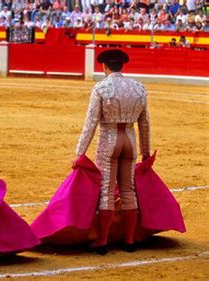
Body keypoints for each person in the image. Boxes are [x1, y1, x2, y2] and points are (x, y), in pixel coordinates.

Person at [73, 49, 150, 255]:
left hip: (109, 140)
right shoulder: (139, 88)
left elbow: (91, 122)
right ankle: (130, 241)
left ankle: (102, 241)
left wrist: (80, 152)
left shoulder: (101, 88)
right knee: (128, 190)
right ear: (122, 66)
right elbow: (145, 123)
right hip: (130, 140)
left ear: (105, 66)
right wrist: (146, 151)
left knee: (106, 191)